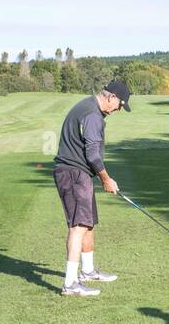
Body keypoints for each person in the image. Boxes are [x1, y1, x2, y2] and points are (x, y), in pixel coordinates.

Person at [52, 79, 131, 296]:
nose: (118, 110)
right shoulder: (93, 115)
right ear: (111, 97)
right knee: (78, 225)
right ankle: (70, 284)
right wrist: (106, 178)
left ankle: (87, 271)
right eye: (120, 105)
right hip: (73, 173)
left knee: (87, 224)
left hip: (77, 173)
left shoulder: (87, 105)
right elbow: (93, 154)